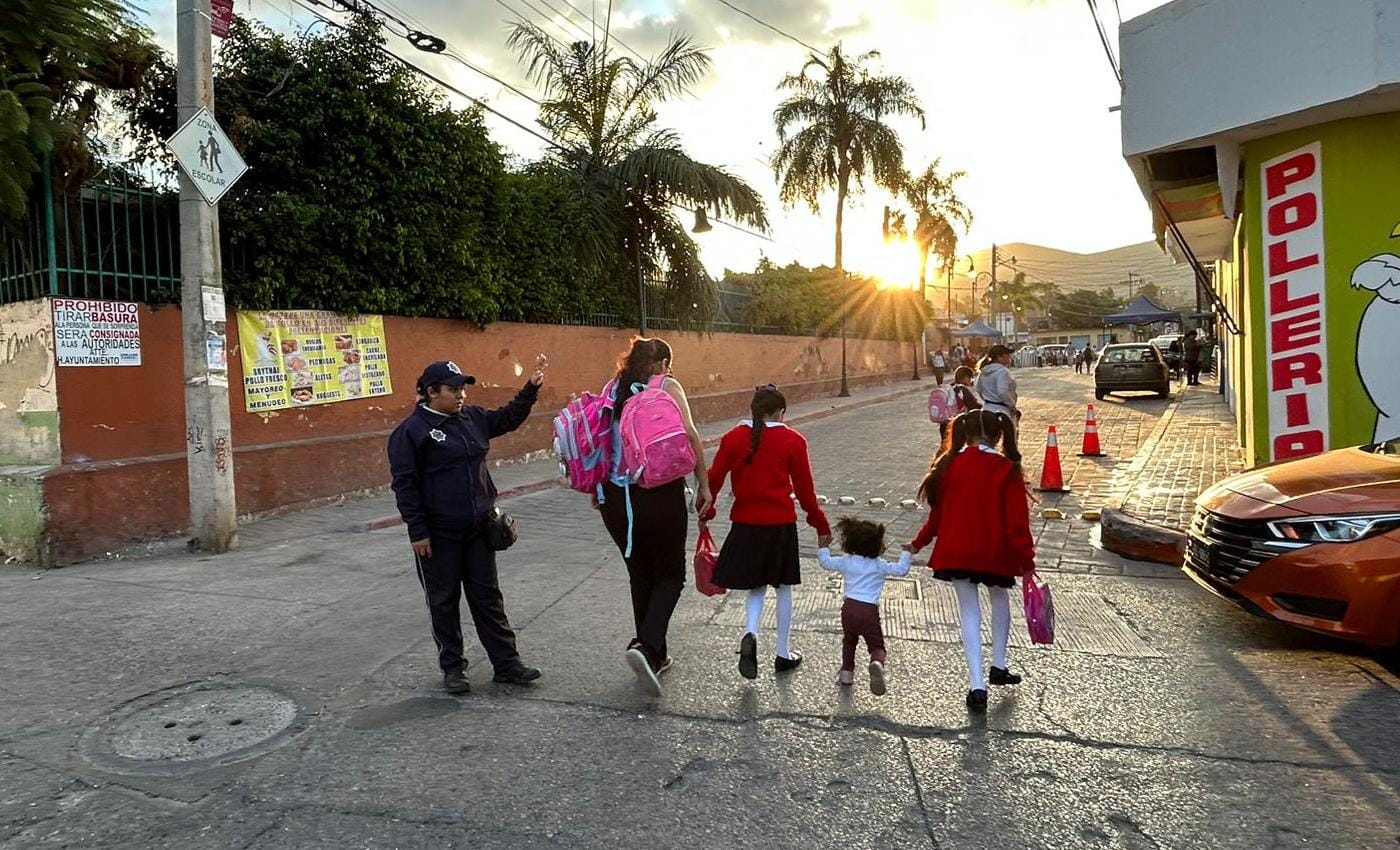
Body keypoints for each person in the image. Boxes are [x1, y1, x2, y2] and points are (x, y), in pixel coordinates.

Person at [388, 357, 548, 695]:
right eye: (453, 389)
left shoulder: (472, 418)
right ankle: (452, 668)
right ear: (432, 392)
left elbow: (507, 418)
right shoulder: (411, 432)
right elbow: (405, 486)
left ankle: (506, 664)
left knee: (488, 598)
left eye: (463, 388)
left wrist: (530, 389)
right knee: (443, 602)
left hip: (478, 528)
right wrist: (418, 531)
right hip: (438, 534)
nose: (461, 394)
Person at [599, 337, 711, 697]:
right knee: (670, 575)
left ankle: (655, 655)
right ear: (662, 362)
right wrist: (704, 486)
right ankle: (646, 646)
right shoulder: (665, 385)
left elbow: (600, 444)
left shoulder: (611, 388)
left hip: (615, 499)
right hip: (659, 492)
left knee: (640, 573)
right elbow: (691, 436)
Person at [908, 410, 1034, 713]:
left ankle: (976, 684)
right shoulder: (1007, 469)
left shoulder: (949, 466)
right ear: (999, 435)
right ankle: (999, 665)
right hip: (995, 551)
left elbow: (936, 517)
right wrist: (1027, 561)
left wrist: (917, 543)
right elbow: (1017, 524)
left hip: (956, 550)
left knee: (968, 612)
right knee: (1000, 599)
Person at [705, 384, 829, 680]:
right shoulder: (793, 440)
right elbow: (805, 491)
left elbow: (713, 479)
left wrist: (706, 512)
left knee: (755, 587)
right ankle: (783, 653)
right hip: (779, 525)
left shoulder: (733, 437)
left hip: (745, 524)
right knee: (783, 587)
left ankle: (751, 632)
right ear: (780, 412)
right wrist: (820, 524)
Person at [817, 517, 911, 695]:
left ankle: (847, 673)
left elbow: (826, 563)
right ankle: (876, 663)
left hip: (849, 609)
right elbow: (901, 570)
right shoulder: (879, 565)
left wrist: (823, 547)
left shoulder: (847, 561)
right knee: (877, 646)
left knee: (849, 641)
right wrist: (907, 552)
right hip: (869, 611)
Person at [974, 344, 1020, 430]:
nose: (1009, 358)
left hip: (987, 409)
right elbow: (1002, 392)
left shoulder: (983, 371)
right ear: (999, 357)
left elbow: (978, 389)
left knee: (989, 438)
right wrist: (1011, 405)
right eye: (1007, 355)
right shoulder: (1002, 371)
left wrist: (988, 399)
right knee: (1008, 439)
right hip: (1002, 410)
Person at [939, 365, 982, 444]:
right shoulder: (963, 390)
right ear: (965, 377)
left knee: (945, 446)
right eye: (970, 378)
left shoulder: (947, 388)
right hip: (958, 423)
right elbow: (974, 406)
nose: (971, 381)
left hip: (944, 423)